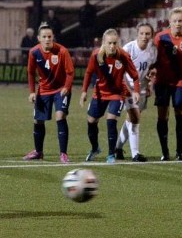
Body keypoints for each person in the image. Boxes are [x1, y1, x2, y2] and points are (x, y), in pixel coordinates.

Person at [80, 28, 140, 163]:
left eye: (115, 43)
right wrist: (84, 91)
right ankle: (95, 148)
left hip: (117, 93)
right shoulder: (96, 55)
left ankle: (111, 154)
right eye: (109, 43)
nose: (112, 46)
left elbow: (135, 76)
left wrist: (136, 90)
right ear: (103, 43)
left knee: (111, 120)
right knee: (91, 121)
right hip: (100, 93)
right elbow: (89, 73)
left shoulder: (123, 56)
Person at [23, 22, 74, 163]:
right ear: (39, 38)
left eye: (49, 36)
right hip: (44, 90)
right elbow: (30, 73)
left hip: (60, 90)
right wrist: (32, 92)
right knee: (37, 120)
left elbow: (70, 72)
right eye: (44, 36)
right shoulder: (34, 52)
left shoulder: (62, 51)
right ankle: (38, 152)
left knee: (60, 116)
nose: (47, 39)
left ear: (53, 37)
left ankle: (63, 153)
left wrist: (67, 88)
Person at [153, 6, 182, 161]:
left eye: (180, 20)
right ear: (169, 22)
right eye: (175, 21)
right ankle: (165, 152)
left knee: (180, 112)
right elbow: (152, 58)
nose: (178, 23)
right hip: (162, 81)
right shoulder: (160, 37)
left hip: (180, 82)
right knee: (162, 115)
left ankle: (179, 151)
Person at [115, 23, 157, 162]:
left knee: (131, 119)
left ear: (151, 35)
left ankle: (118, 148)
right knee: (135, 119)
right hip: (128, 88)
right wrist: (131, 90)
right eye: (142, 33)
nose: (144, 36)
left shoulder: (152, 50)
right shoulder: (128, 49)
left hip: (142, 90)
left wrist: (150, 84)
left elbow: (150, 69)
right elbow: (120, 73)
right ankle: (135, 154)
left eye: (147, 34)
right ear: (137, 34)